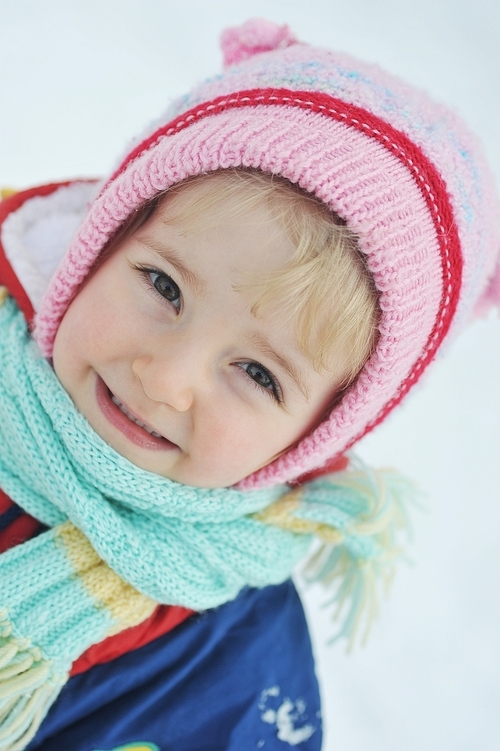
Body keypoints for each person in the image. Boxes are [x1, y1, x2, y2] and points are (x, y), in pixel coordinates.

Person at [0, 18, 498, 751]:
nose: (165, 380)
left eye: (259, 374)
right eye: (163, 285)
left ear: (317, 433)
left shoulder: (232, 672)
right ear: (102, 240)